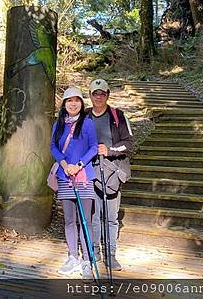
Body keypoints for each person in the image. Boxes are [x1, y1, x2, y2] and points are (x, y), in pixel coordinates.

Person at [51, 86, 99, 280]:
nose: (73, 103)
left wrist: (78, 165)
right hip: (64, 176)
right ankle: (73, 257)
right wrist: (64, 164)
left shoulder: (87, 123)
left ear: (81, 103)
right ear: (64, 104)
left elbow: (94, 147)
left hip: (83, 177)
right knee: (69, 220)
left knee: (85, 221)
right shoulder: (59, 124)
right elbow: (53, 146)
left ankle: (87, 260)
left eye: (76, 100)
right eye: (69, 100)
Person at [86, 78, 134, 271]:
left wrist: (110, 150)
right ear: (90, 96)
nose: (98, 97)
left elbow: (129, 143)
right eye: (95, 93)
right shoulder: (84, 115)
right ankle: (95, 252)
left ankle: (110, 254)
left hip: (113, 171)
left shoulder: (118, 116)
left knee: (111, 217)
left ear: (108, 95)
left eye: (102, 93)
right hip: (90, 171)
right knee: (94, 216)